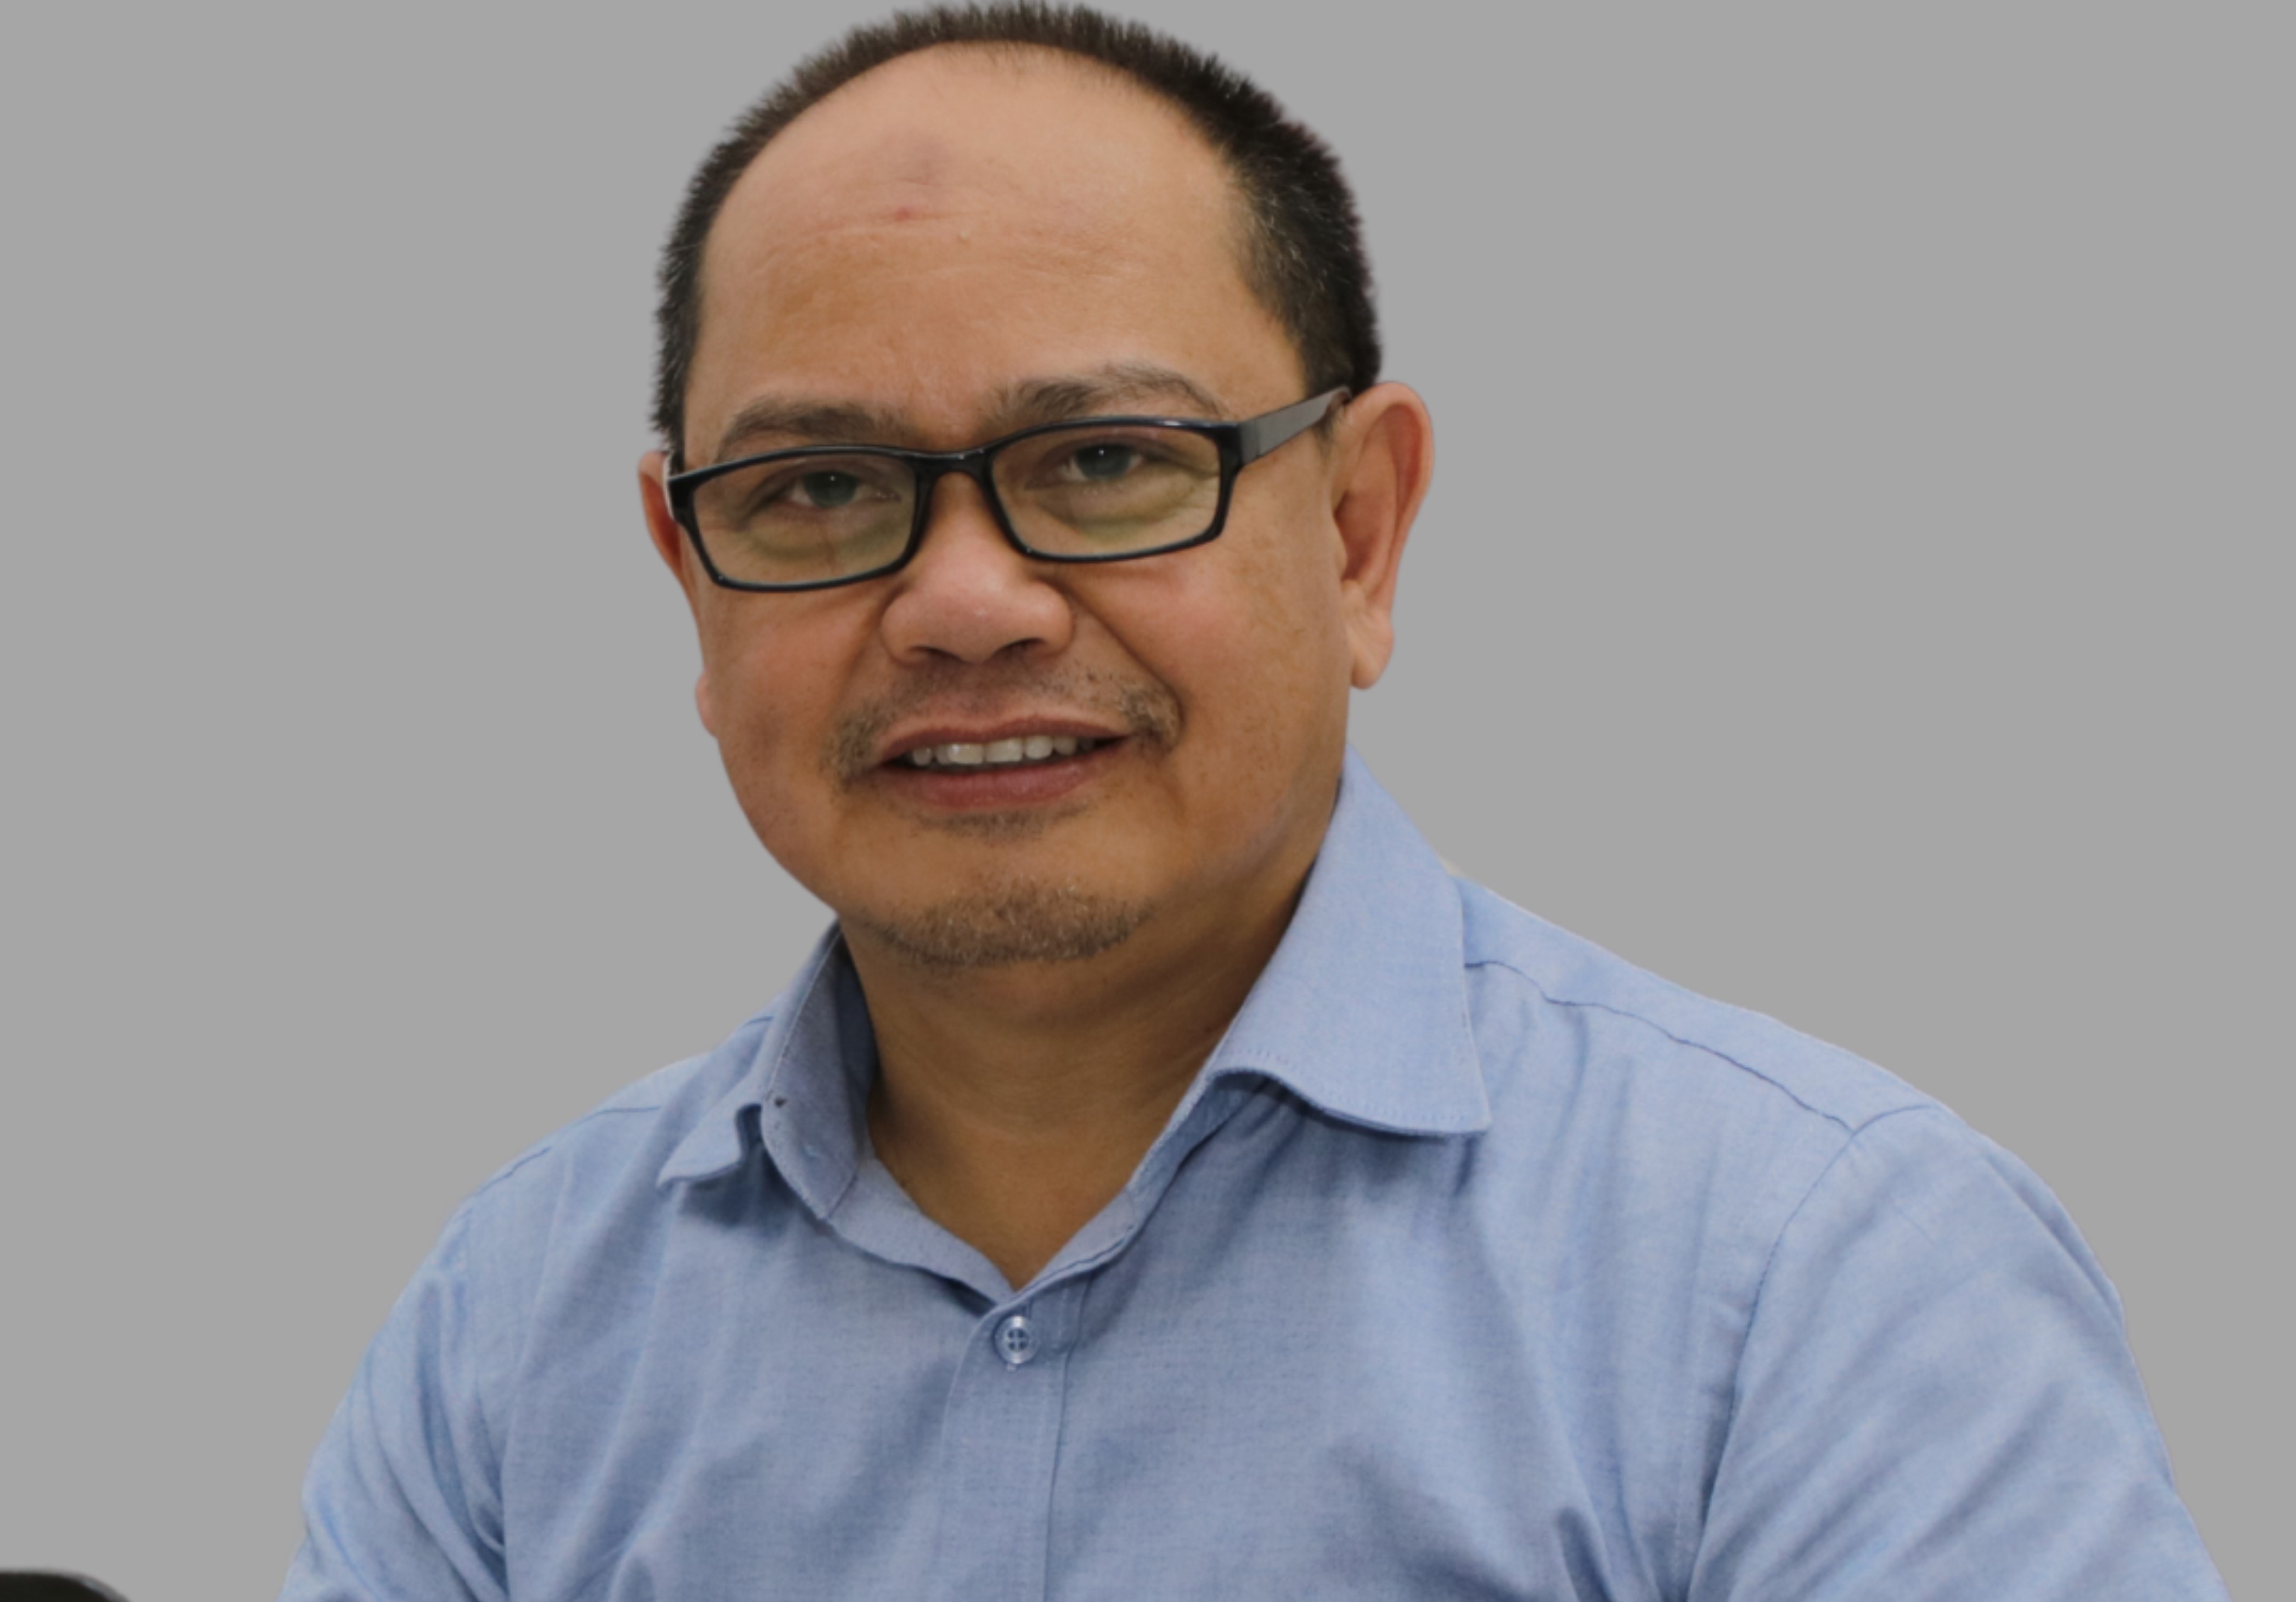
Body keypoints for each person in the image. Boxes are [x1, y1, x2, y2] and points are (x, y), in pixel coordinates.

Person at [279, 6, 2228, 1598]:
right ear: (688, 581)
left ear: (1361, 530)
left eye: (1106, 461)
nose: (965, 603)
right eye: (818, 492)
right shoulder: (515, 1325)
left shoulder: (1820, 1276)